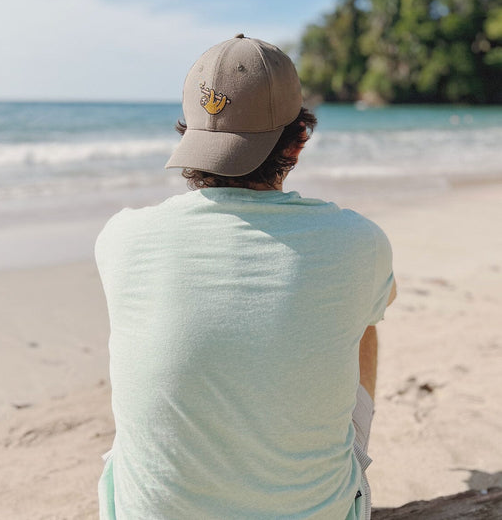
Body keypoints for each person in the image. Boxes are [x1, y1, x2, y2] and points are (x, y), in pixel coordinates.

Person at [95, 34, 396, 520]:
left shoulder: (120, 237)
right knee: (362, 314)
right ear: (298, 141)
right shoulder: (359, 240)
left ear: (190, 139)